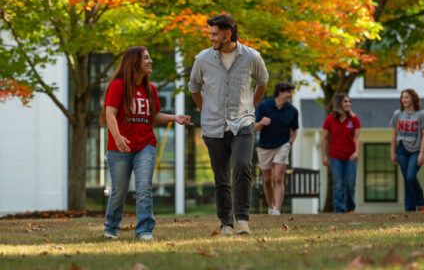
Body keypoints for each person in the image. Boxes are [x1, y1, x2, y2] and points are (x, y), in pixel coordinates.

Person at [100, 46, 192, 241]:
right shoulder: (117, 86)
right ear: (134, 62)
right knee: (119, 191)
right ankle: (112, 227)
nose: (150, 62)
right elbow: (110, 114)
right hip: (119, 148)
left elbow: (154, 116)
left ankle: (144, 231)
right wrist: (117, 138)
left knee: (143, 188)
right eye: (146, 58)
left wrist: (175, 117)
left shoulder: (150, 89)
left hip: (145, 145)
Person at [188, 14, 268, 236]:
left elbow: (263, 82)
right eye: (211, 34)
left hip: (243, 122)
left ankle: (242, 220)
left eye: (215, 34)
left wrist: (251, 105)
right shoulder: (203, 59)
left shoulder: (251, 57)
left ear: (228, 34)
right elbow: (194, 86)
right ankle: (226, 224)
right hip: (213, 126)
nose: (212, 38)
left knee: (242, 166)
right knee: (221, 177)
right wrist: (205, 109)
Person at [255, 82, 299, 215]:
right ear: (280, 92)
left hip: (282, 145)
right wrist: (261, 123)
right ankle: (271, 206)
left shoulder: (292, 111)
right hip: (264, 147)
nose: (290, 95)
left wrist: (289, 144)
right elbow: (254, 127)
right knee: (267, 179)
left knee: (278, 178)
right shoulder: (264, 106)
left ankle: (277, 209)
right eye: (288, 92)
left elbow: (295, 130)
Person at [390, 89, 424, 212]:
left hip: (416, 150)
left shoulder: (421, 114)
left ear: (413, 98)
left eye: (406, 97)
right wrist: (393, 152)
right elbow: (394, 134)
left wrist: (422, 152)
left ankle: (420, 202)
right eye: (402, 98)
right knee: (407, 179)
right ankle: (410, 209)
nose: (404, 100)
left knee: (411, 177)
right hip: (402, 149)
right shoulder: (397, 114)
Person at [321, 94, 361, 214]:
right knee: (338, 185)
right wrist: (324, 155)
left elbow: (358, 136)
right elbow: (324, 138)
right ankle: (339, 210)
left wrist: (357, 152)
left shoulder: (354, 119)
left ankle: (350, 209)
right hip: (335, 157)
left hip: (350, 157)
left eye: (349, 101)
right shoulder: (330, 119)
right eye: (345, 102)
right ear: (339, 104)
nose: (348, 104)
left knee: (350, 185)